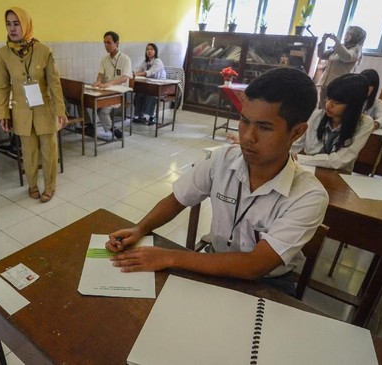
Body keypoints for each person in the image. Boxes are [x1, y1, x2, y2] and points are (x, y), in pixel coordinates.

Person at [106, 68, 329, 296]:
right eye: (244, 121)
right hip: (215, 261)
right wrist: (140, 228)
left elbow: (255, 266)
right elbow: (177, 199)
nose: (248, 136)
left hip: (268, 283)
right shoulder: (223, 160)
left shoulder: (308, 196)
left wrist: (170, 255)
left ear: (297, 132)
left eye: (264, 127)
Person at [0, 7, 67, 203]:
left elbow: (54, 83)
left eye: (16, 23)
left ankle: (50, 187)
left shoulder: (44, 51)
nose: (12, 28)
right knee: (29, 152)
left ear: (25, 25)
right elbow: (2, 86)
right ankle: (32, 185)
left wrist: (61, 110)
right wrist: (3, 114)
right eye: (8, 24)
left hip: (45, 109)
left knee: (49, 151)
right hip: (22, 111)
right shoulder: (3, 54)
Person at [291, 73, 373, 173]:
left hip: (339, 176)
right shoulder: (316, 116)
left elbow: (339, 161)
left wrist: (298, 158)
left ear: (353, 106)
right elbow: (295, 145)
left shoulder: (364, 123)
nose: (328, 105)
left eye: (337, 102)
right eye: (329, 98)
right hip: (308, 171)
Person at [92, 31, 132, 139]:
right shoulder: (104, 59)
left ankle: (113, 130)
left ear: (117, 43)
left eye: (109, 42)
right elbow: (100, 73)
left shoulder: (125, 59)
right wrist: (98, 81)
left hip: (118, 93)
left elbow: (124, 77)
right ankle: (89, 127)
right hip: (106, 91)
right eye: (104, 42)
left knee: (102, 111)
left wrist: (110, 84)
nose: (106, 45)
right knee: (90, 104)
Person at [317, 26, 366, 108]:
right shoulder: (341, 46)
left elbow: (346, 57)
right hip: (326, 83)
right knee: (321, 107)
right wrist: (324, 40)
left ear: (356, 37)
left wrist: (336, 41)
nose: (346, 36)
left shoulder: (356, 50)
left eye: (350, 34)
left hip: (338, 86)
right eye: (346, 33)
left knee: (330, 108)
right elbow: (322, 55)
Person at [133, 43, 166, 125]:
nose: (149, 51)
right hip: (148, 85)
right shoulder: (145, 62)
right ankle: (139, 115)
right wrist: (132, 73)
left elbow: (150, 72)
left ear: (155, 51)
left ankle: (149, 116)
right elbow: (138, 69)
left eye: (151, 49)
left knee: (150, 95)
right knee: (138, 94)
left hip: (159, 87)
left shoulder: (158, 61)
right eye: (147, 49)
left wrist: (137, 74)